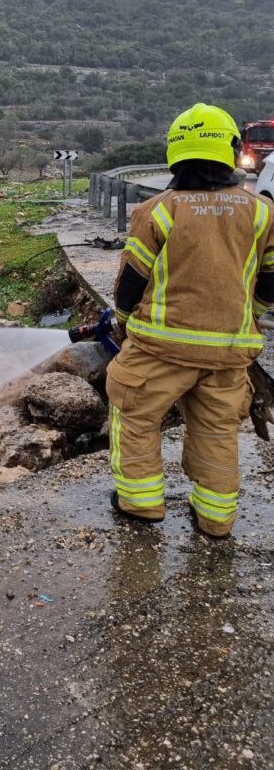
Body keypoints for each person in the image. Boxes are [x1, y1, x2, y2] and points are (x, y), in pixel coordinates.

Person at [107, 102, 274, 537]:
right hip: (229, 354)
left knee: (135, 414)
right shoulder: (261, 212)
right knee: (217, 431)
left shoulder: (159, 210)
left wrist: (122, 321)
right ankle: (216, 518)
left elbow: (131, 279)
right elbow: (271, 279)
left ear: (175, 152)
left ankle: (140, 502)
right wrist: (251, 316)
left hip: (160, 348)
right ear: (231, 150)